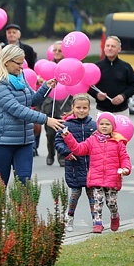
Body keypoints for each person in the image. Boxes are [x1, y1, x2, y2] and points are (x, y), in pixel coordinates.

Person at [0, 45, 63, 186]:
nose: (22, 67)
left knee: (24, 182)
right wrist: (46, 120)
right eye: (19, 63)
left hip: (24, 140)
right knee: (0, 184)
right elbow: (16, 109)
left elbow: (31, 100)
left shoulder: (19, 77)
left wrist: (46, 87)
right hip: (1, 141)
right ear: (7, 62)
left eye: (23, 63)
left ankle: (23, 209)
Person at [60, 112, 130, 234]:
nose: (104, 126)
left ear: (113, 126)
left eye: (107, 124)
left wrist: (126, 169)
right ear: (97, 125)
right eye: (101, 124)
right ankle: (98, 223)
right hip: (96, 178)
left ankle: (114, 215)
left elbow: (124, 158)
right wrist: (69, 138)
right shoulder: (92, 140)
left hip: (112, 178)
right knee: (97, 202)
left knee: (111, 202)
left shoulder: (118, 142)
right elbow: (79, 149)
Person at [54, 94, 97, 232]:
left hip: (91, 166)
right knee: (75, 193)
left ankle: (96, 219)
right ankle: (69, 218)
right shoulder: (66, 125)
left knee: (92, 194)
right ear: (72, 108)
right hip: (74, 166)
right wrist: (67, 153)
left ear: (89, 108)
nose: (81, 110)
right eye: (78, 107)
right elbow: (58, 142)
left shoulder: (94, 125)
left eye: (84, 108)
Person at [88, 36, 134, 114]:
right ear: (104, 48)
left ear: (119, 49)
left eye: (113, 46)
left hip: (122, 111)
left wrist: (123, 96)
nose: (109, 48)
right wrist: (97, 95)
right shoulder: (96, 67)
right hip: (102, 111)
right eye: (107, 46)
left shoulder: (126, 67)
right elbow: (88, 85)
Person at [40, 41, 71, 166]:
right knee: (50, 133)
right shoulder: (48, 66)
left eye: (60, 50)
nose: (57, 53)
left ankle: (61, 155)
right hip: (49, 103)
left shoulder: (69, 66)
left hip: (64, 103)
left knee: (63, 132)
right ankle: (50, 153)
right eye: (55, 50)